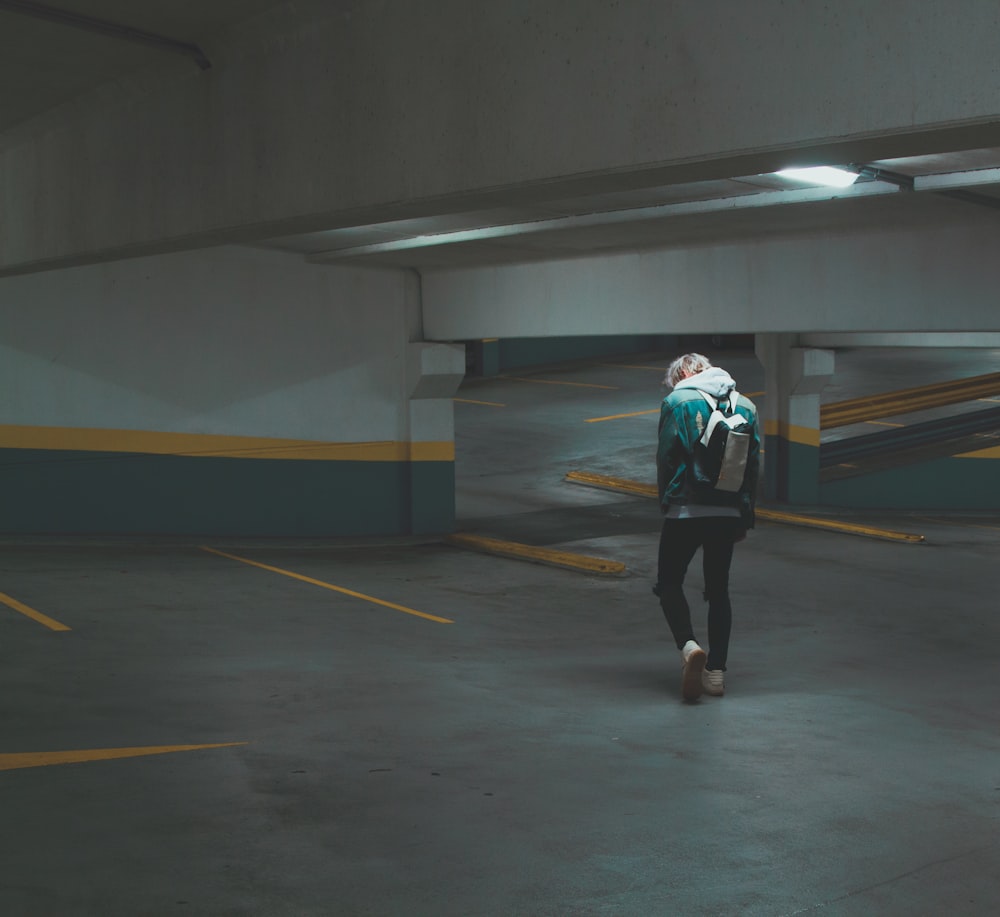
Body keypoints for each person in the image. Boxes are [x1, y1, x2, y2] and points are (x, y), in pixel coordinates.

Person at [654, 352, 760, 702]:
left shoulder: (677, 400)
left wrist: (667, 500)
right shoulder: (745, 405)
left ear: (684, 371)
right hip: (726, 512)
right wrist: (744, 516)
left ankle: (688, 646)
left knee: (669, 582)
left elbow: (668, 456)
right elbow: (752, 467)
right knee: (718, 591)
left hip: (685, 509)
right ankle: (716, 672)